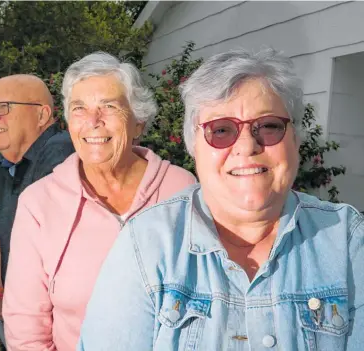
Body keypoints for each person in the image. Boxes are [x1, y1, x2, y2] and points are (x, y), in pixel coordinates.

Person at [78, 48, 364, 350]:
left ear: (295, 138)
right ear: (194, 146)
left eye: (268, 126)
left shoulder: (347, 241)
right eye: (222, 130)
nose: (246, 146)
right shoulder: (147, 245)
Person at [2, 52, 197, 350]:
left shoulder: (182, 189)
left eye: (109, 106)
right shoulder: (39, 203)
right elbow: (25, 329)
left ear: (138, 122)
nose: (93, 122)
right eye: (79, 109)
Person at [0, 74, 74, 333]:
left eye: (2, 108)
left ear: (42, 116)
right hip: (27, 317)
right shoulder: (2, 165)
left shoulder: (62, 153)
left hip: (60, 322)